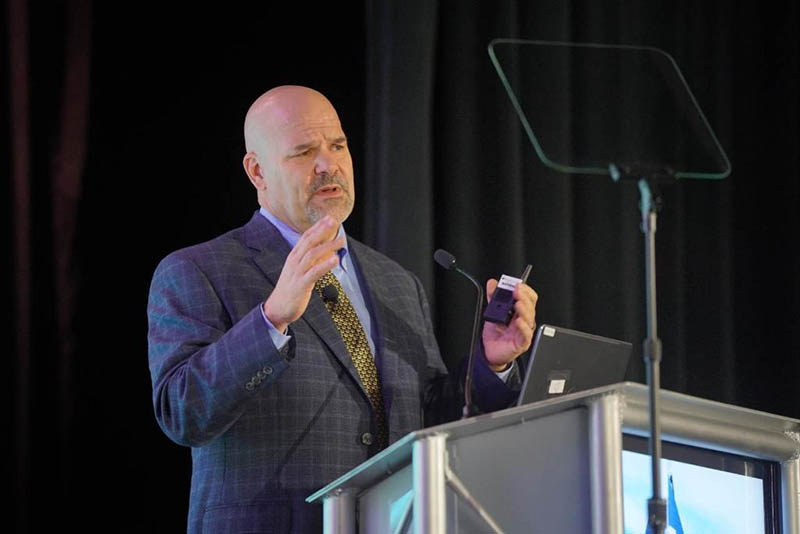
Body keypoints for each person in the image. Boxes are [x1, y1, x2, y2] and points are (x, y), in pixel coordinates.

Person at [147, 85, 538, 533]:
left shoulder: (396, 281)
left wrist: (494, 362)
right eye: (303, 151)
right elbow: (183, 413)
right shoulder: (197, 270)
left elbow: (428, 416)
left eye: (338, 146)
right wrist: (272, 318)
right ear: (258, 172)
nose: (327, 164)